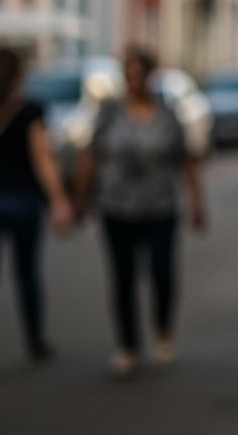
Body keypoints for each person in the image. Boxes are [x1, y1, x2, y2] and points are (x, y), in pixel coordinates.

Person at [73, 45, 205, 379]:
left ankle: (163, 330)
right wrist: (80, 197)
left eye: (138, 74)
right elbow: (90, 155)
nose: (132, 81)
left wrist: (196, 202)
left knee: (162, 271)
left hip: (160, 206)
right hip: (116, 207)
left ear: (149, 76)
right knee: (123, 277)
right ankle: (128, 345)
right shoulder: (110, 113)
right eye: (127, 75)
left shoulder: (166, 114)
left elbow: (185, 159)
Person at [0, 46, 73, 384]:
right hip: (22, 203)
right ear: (18, 75)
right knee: (26, 274)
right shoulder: (30, 111)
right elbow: (42, 159)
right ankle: (35, 341)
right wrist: (59, 200)